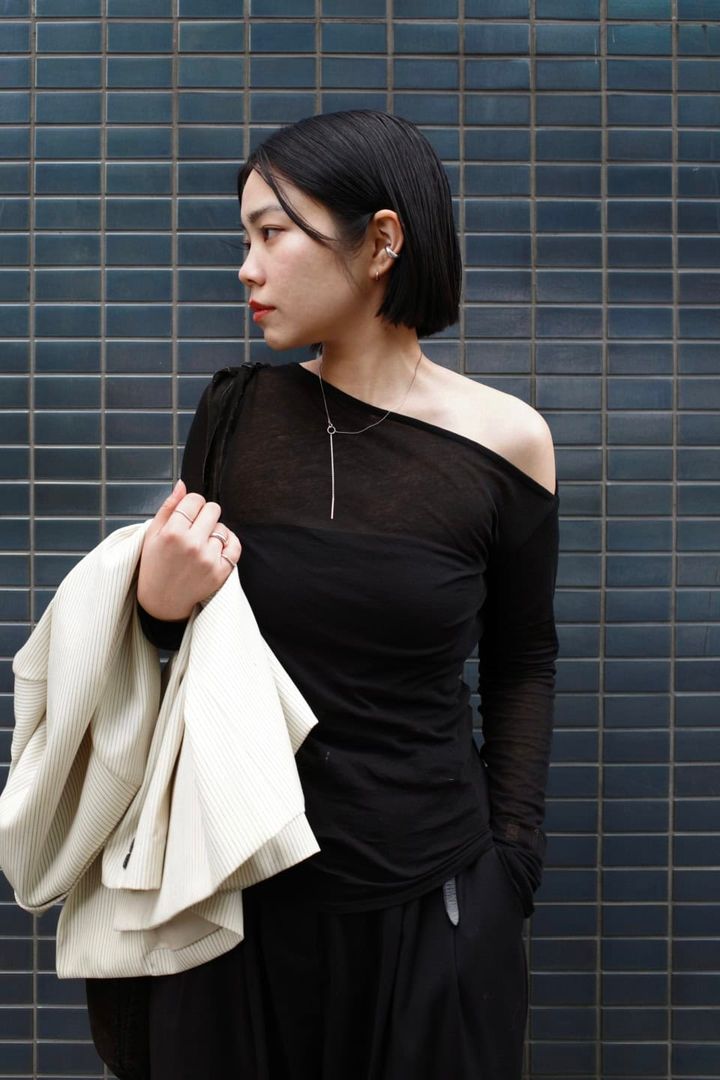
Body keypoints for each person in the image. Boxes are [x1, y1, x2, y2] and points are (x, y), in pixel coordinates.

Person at [129, 110, 559, 1079]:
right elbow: (183, 649)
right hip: (232, 900)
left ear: (381, 241)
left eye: (271, 233)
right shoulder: (235, 415)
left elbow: (524, 658)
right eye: (245, 239)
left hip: (432, 901)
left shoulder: (509, 442)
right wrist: (156, 602)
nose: (247, 269)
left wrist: (511, 864)